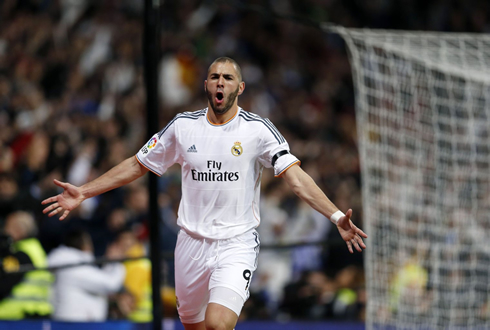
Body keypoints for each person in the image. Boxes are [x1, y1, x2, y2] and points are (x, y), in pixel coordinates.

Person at [42, 57, 367, 330]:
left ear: (239, 88)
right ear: (207, 86)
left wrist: (336, 215)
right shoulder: (183, 126)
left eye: (227, 78)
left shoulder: (258, 130)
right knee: (194, 326)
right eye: (214, 77)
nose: (220, 83)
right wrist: (84, 191)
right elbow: (138, 164)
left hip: (236, 243)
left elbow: (295, 178)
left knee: (218, 324)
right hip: (191, 244)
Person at [47, 229, 126, 321]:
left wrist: (110, 263)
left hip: (75, 324)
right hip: (75, 325)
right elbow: (111, 284)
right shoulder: (73, 265)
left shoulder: (70, 263)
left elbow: (101, 279)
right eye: (89, 242)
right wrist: (117, 262)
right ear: (83, 244)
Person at [0, 211, 53, 320]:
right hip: (34, 313)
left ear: (18, 230)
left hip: (16, 316)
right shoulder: (35, 248)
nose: (4, 231)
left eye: (7, 226)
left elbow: (4, 284)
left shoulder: (21, 253)